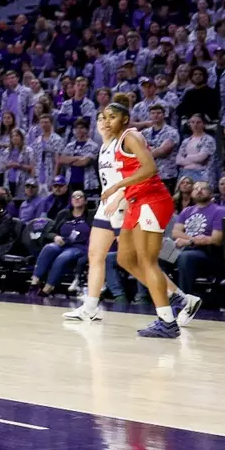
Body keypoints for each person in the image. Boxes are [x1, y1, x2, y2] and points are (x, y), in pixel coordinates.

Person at [67, 94, 189, 337]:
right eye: (104, 118)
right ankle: (176, 300)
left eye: (113, 117)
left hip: (148, 201)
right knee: (124, 259)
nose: (107, 121)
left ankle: (169, 315)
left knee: (148, 259)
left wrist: (116, 189)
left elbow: (150, 168)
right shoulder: (109, 144)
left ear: (125, 119)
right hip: (135, 201)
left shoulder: (131, 136)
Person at [29, 189, 91, 295]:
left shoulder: (90, 215)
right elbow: (49, 232)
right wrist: (56, 237)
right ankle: (34, 283)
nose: (76, 198)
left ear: (85, 201)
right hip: (62, 244)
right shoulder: (64, 214)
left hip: (79, 247)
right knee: (49, 248)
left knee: (62, 257)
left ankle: (47, 289)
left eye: (79, 196)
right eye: (74, 196)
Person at [172, 183, 225, 300]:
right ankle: (157, 296)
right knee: (155, 255)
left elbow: (216, 239)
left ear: (211, 193)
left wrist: (189, 241)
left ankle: (185, 299)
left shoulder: (219, 211)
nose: (199, 191)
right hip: (184, 248)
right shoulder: (187, 211)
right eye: (196, 189)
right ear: (192, 193)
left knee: (186, 257)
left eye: (203, 189)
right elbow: (176, 233)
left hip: (208, 253)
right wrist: (193, 240)